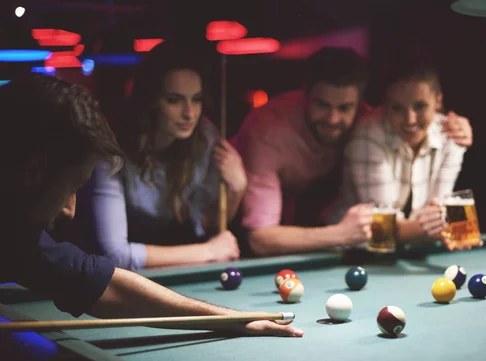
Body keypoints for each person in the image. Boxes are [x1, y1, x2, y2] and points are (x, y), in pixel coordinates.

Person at [0, 72, 302, 338]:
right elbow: (112, 260)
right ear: (34, 171)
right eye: (72, 187)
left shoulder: (22, 239)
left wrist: (233, 320)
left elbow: (106, 285)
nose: (70, 210)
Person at [85, 41, 246, 271]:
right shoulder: (110, 150)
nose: (190, 113)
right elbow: (114, 255)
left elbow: (206, 226)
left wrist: (237, 189)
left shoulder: (204, 137)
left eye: (197, 99)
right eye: (174, 100)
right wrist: (208, 251)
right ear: (150, 101)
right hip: (98, 274)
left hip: (166, 268)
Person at [232, 47, 376, 257]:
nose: (332, 119)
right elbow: (260, 239)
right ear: (305, 95)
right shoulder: (267, 131)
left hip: (307, 212)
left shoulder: (366, 119)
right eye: (322, 105)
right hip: (235, 214)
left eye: (344, 108)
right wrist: (341, 233)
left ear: (359, 104)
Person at [329, 56, 477, 250]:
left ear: (438, 101)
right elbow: (382, 227)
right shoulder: (367, 135)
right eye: (397, 108)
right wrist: (453, 226)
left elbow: (440, 205)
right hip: (353, 248)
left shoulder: (452, 134)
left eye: (420, 106)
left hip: (412, 244)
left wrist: (456, 228)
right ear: (385, 106)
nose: (410, 120)